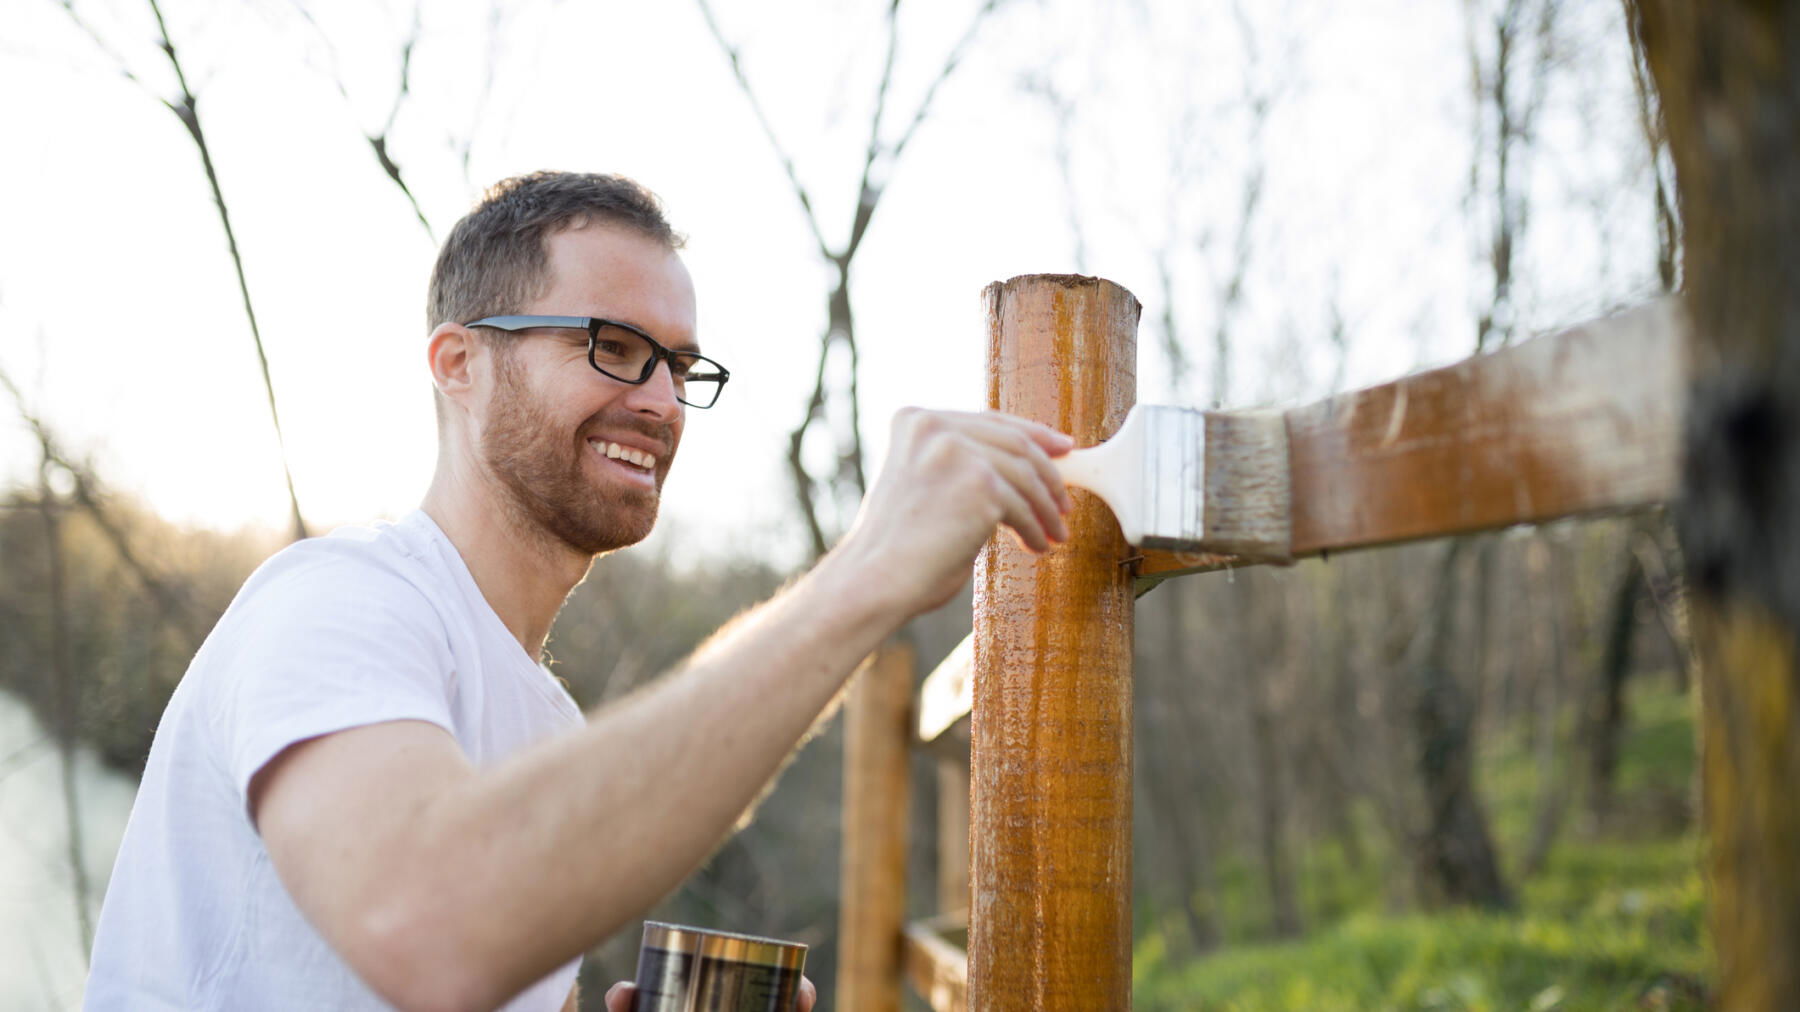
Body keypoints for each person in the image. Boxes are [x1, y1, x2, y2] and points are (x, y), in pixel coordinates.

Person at [84, 171, 1075, 1011]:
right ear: (459, 362)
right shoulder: (337, 600)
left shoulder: (552, 729)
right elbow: (424, 923)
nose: (657, 399)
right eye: (611, 343)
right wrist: (865, 574)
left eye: (680, 366)